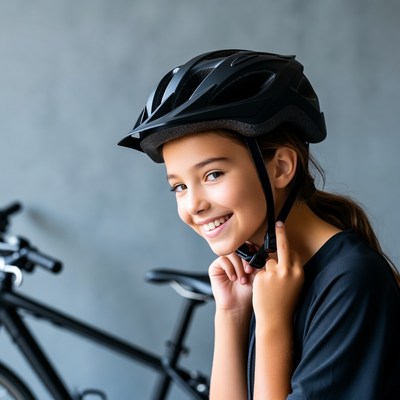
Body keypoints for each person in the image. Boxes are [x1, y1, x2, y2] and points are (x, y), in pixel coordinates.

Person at [118, 50, 400, 399]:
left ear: (281, 167)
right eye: (179, 186)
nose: (193, 204)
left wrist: (272, 325)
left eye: (213, 174)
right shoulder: (265, 276)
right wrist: (231, 314)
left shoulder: (349, 282)